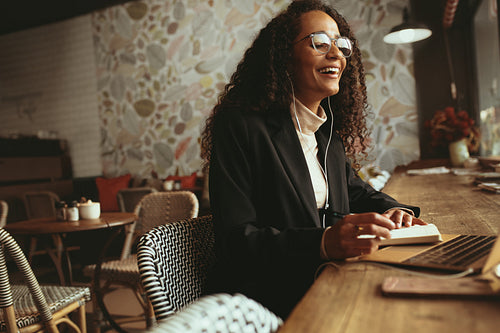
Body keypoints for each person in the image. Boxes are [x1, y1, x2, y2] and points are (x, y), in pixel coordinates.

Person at [200, 0, 425, 318]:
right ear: (284, 56)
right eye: (320, 42)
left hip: (326, 282)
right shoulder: (241, 125)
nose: (336, 55)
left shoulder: (325, 130)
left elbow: (356, 191)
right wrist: (325, 242)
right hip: (265, 302)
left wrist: (395, 210)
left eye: (341, 45)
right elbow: (236, 241)